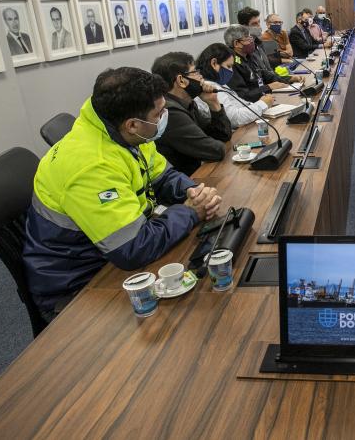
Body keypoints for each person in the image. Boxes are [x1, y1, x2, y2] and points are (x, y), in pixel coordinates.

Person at [23, 67, 222, 321]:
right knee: (196, 316)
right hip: (82, 284)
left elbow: (163, 175)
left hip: (112, 251)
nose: (164, 117)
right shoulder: (91, 165)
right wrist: (190, 211)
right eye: (159, 113)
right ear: (133, 124)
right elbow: (133, 248)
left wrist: (192, 191)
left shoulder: (124, 133)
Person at [151, 52, 232, 175]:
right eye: (195, 72)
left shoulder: (188, 103)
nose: (201, 77)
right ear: (181, 80)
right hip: (186, 184)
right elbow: (215, 150)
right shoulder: (170, 112)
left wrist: (214, 103)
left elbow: (222, 135)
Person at [194, 43, 273, 128]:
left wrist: (261, 103)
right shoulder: (209, 87)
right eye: (228, 66)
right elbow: (234, 118)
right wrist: (262, 104)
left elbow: (240, 104)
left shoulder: (218, 83)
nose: (231, 71)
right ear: (214, 63)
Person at [224, 25, 296, 102]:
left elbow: (264, 74)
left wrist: (289, 79)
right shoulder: (231, 64)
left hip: (265, 98)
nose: (252, 42)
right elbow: (242, 95)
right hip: (252, 105)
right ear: (236, 43)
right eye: (248, 39)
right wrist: (268, 87)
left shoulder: (249, 56)